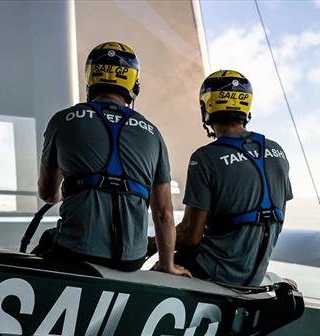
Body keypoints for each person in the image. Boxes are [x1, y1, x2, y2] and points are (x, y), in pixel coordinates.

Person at [37, 42, 189, 276]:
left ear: (91, 79)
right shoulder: (153, 133)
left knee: (42, 246)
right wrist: (168, 265)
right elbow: (164, 212)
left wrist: (65, 191)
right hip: (130, 260)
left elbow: (48, 194)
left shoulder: (64, 119)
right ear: (133, 84)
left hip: (74, 253)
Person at [174, 70, 292, 285]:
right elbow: (279, 220)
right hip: (254, 276)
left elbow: (190, 236)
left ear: (206, 108)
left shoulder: (205, 158)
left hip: (216, 273)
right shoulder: (277, 151)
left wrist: (151, 243)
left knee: (162, 267)